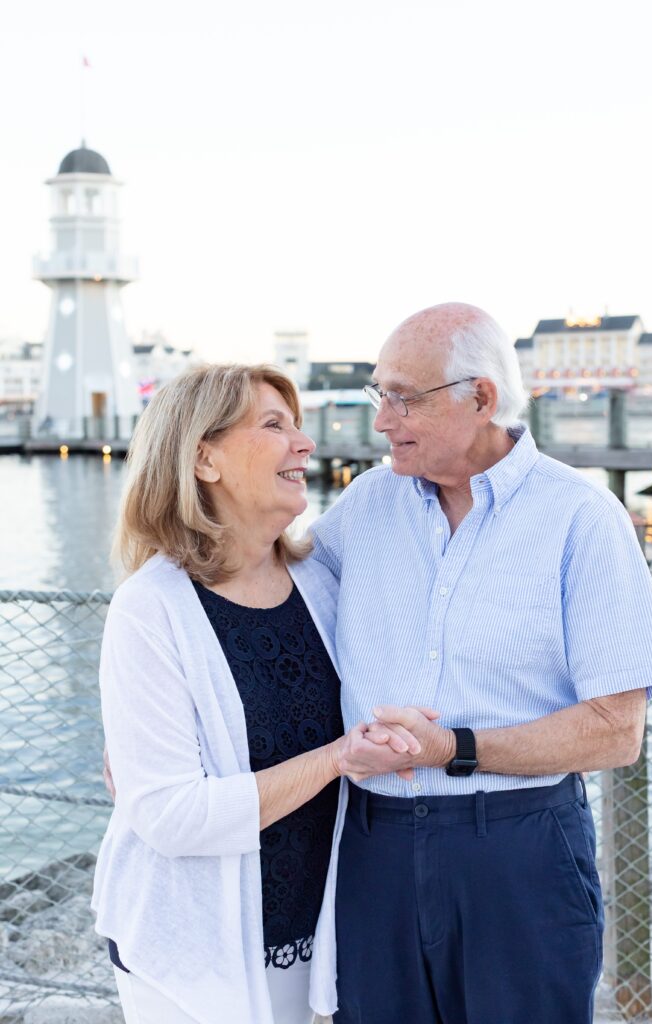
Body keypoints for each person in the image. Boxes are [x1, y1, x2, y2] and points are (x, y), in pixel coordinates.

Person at [310, 302, 652, 1024]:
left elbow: (615, 731)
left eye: (401, 398)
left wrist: (453, 749)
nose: (381, 420)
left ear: (479, 397)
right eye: (376, 394)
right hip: (368, 845)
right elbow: (265, 606)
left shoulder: (580, 517)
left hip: (519, 851)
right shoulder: (362, 507)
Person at [92, 363, 412, 1024]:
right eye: (274, 426)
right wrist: (337, 758)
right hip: (190, 953)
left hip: (311, 940)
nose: (305, 444)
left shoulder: (321, 583)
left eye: (298, 426)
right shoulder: (149, 609)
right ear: (202, 458)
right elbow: (171, 817)